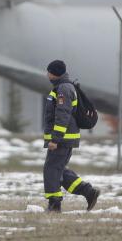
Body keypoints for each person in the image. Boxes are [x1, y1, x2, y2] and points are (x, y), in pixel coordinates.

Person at [41, 60, 99, 212]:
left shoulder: (63, 89)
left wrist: (55, 139)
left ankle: (54, 205)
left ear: (54, 73)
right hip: (65, 137)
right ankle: (88, 192)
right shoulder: (63, 87)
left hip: (62, 139)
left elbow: (62, 115)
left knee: (51, 170)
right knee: (59, 170)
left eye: (49, 72)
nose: (47, 74)